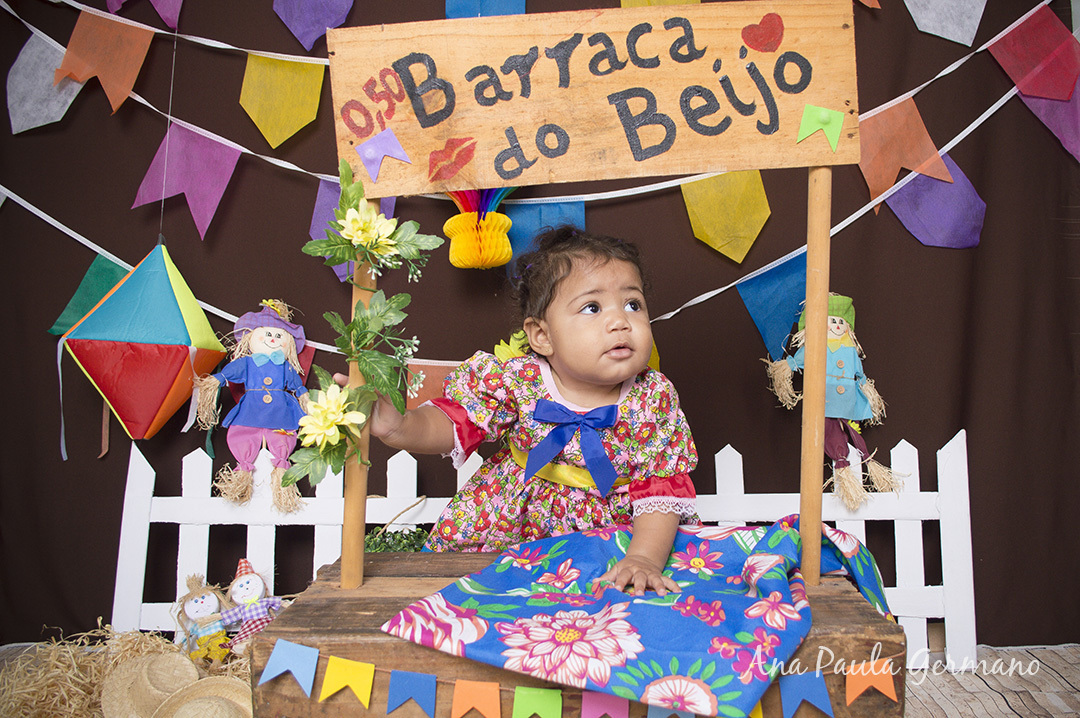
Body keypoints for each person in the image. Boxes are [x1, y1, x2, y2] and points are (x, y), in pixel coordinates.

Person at [368, 226, 698, 596]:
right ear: (542, 336)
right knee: (484, 596)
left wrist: (644, 558)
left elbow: (660, 488)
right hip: (514, 526)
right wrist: (400, 426)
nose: (620, 321)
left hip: (617, 534)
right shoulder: (518, 380)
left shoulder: (653, 397)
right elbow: (455, 422)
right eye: (592, 307)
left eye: (633, 304)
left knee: (612, 600)